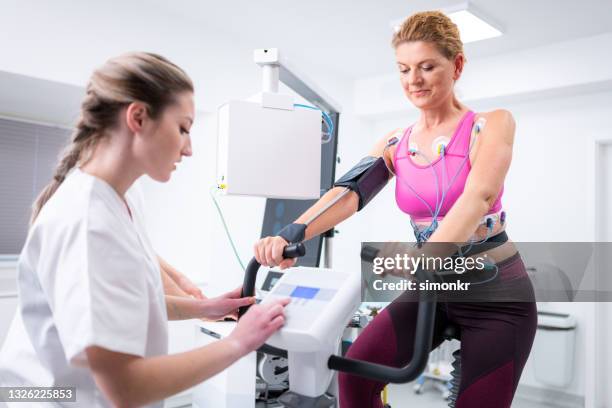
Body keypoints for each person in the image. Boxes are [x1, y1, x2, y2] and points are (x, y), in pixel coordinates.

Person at [253, 11, 537, 408]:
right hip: (435, 285)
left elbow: (479, 197)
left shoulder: (491, 125)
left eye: (426, 67)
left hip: (497, 295)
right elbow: (349, 193)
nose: (413, 80)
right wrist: (293, 232)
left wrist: (427, 257)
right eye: (404, 69)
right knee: (355, 373)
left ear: (456, 65)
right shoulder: (395, 142)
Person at [0, 52, 289, 408]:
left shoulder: (122, 198)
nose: (189, 148)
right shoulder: (87, 223)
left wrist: (205, 307)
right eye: (183, 128)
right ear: (138, 117)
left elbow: (128, 304)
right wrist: (238, 342)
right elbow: (125, 387)